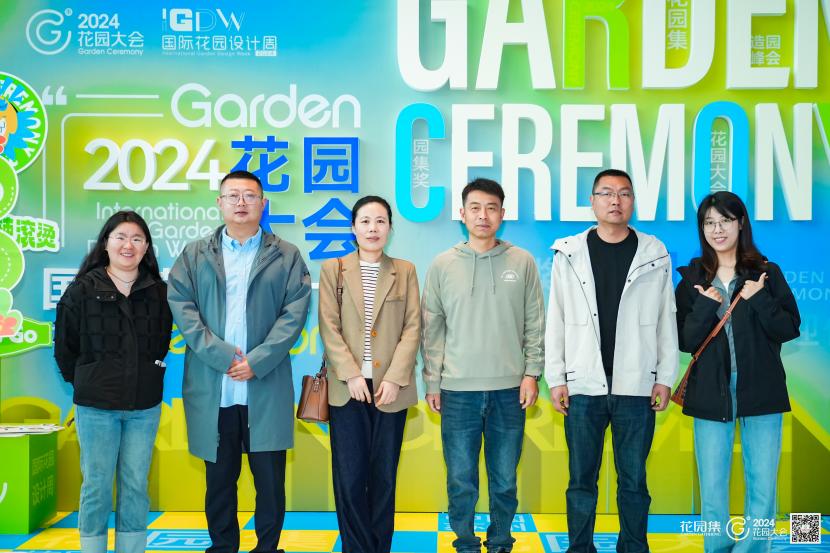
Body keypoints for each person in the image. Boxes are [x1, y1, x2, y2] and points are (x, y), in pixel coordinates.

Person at [167, 170, 311, 553]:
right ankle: (222, 547)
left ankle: (267, 548)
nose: (241, 202)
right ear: (220, 203)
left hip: (264, 384)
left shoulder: (287, 255)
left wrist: (257, 360)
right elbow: (182, 306)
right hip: (214, 385)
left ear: (264, 204)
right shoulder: (195, 254)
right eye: (233, 195)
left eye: (250, 195)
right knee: (219, 481)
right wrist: (220, 354)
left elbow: (294, 314)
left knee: (270, 482)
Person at [544, 168, 678, 552]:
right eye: (606, 193)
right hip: (583, 384)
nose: (615, 201)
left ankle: (633, 547)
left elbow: (666, 320)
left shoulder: (654, 253)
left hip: (636, 385)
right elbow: (557, 318)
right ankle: (580, 548)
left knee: (633, 481)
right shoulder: (569, 253)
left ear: (633, 201)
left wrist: (665, 377)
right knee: (581, 481)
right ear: (593, 201)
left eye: (624, 193)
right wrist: (557, 378)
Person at [421, 178, 545, 553]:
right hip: (457, 391)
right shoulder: (442, 264)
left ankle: (501, 541)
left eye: (491, 208)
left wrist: (532, 373)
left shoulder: (522, 261)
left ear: (502, 214)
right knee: (461, 478)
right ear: (462, 214)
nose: (483, 215)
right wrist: (432, 382)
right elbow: (432, 329)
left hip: (510, 389)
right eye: (475, 208)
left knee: (504, 478)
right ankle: (464, 542)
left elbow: (535, 322)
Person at [675, 191, 800, 552]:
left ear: (741, 223)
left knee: (762, 483)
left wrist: (758, 297)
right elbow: (684, 340)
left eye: (725, 221)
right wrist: (704, 306)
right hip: (710, 392)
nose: (717, 230)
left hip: (761, 389)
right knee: (713, 485)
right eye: (709, 222)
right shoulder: (692, 278)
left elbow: (788, 328)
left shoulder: (766, 273)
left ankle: (753, 549)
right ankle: (716, 548)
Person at [54, 210, 172, 553]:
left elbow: (160, 342)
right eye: (120, 237)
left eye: (137, 238)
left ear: (146, 247)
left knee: (136, 484)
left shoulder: (159, 292)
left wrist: (148, 373)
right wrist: (87, 381)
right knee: (96, 485)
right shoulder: (81, 290)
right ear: (105, 243)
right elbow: (64, 348)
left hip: (144, 406)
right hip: (96, 407)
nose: (128, 245)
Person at [318, 195, 421, 553]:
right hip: (347, 388)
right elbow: (328, 326)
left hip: (391, 389)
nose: (372, 228)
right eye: (365, 221)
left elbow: (413, 327)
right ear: (353, 227)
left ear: (390, 227)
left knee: (384, 477)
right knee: (349, 478)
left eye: (380, 221)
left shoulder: (405, 270)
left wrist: (393, 378)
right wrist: (350, 374)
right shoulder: (334, 269)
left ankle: (379, 547)